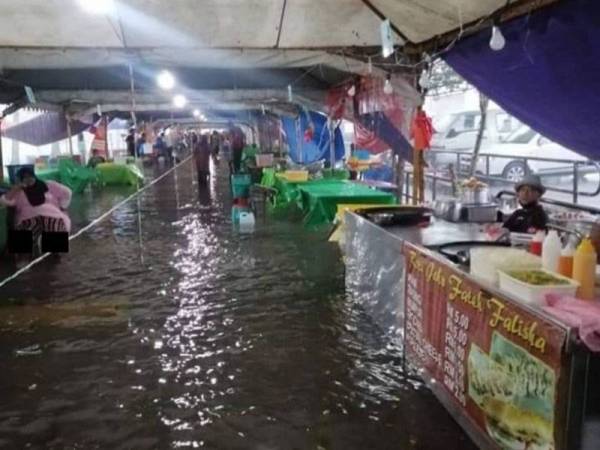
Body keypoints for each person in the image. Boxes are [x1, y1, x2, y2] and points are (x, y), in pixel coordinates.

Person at [0, 167, 72, 239]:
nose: (28, 179)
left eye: (30, 176)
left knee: (55, 230)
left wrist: (63, 207)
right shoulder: (19, 192)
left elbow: (67, 192)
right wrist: (16, 188)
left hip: (52, 215)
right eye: (25, 177)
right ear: (21, 180)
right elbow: (4, 201)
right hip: (28, 218)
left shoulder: (48, 185)